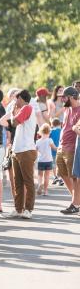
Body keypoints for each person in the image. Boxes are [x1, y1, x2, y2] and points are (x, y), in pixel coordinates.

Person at [0, 90, 37, 219]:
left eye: (16, 99)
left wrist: (14, 113)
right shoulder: (22, 109)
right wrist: (13, 112)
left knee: (28, 181)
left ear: (21, 98)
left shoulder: (27, 107)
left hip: (26, 150)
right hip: (17, 150)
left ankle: (28, 209)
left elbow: (14, 122)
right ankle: (18, 209)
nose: (14, 101)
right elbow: (3, 121)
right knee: (17, 182)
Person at [57, 86, 80, 214]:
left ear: (71, 97)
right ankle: (77, 200)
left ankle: (75, 203)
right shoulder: (67, 109)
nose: (62, 99)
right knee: (62, 174)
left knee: (75, 177)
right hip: (61, 146)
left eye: (64, 97)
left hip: (72, 148)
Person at [36, 124, 57, 196]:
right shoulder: (49, 140)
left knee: (40, 175)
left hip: (41, 160)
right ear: (49, 132)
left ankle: (39, 184)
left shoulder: (38, 141)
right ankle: (45, 191)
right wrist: (59, 149)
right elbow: (54, 148)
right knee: (47, 176)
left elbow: (35, 151)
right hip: (48, 160)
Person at [50, 118, 63, 185]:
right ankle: (60, 178)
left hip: (52, 150)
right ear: (60, 124)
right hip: (60, 150)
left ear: (52, 124)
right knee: (59, 165)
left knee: (54, 164)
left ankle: (55, 177)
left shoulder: (51, 131)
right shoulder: (61, 131)